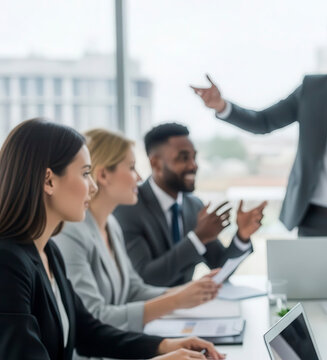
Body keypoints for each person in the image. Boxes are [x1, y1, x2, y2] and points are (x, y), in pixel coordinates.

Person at [0, 119, 224, 360]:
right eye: (85, 174)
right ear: (49, 181)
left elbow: (89, 332)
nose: (93, 187)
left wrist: (163, 346)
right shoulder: (7, 263)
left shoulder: (48, 251)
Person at [190, 15, 327, 258]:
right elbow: (264, 122)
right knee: (311, 293)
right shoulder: (311, 89)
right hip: (313, 219)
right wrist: (222, 105)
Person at [53, 129, 223, 347]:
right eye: (132, 168)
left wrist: (191, 291)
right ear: (103, 175)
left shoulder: (111, 225)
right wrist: (177, 300)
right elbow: (94, 317)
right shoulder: (71, 233)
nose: (140, 177)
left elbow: (134, 289)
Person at [114, 123, 266, 286]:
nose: (194, 165)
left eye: (194, 157)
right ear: (156, 163)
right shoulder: (129, 207)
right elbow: (145, 278)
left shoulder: (194, 205)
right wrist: (198, 238)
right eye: (184, 158)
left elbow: (220, 269)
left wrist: (242, 236)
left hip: (189, 308)